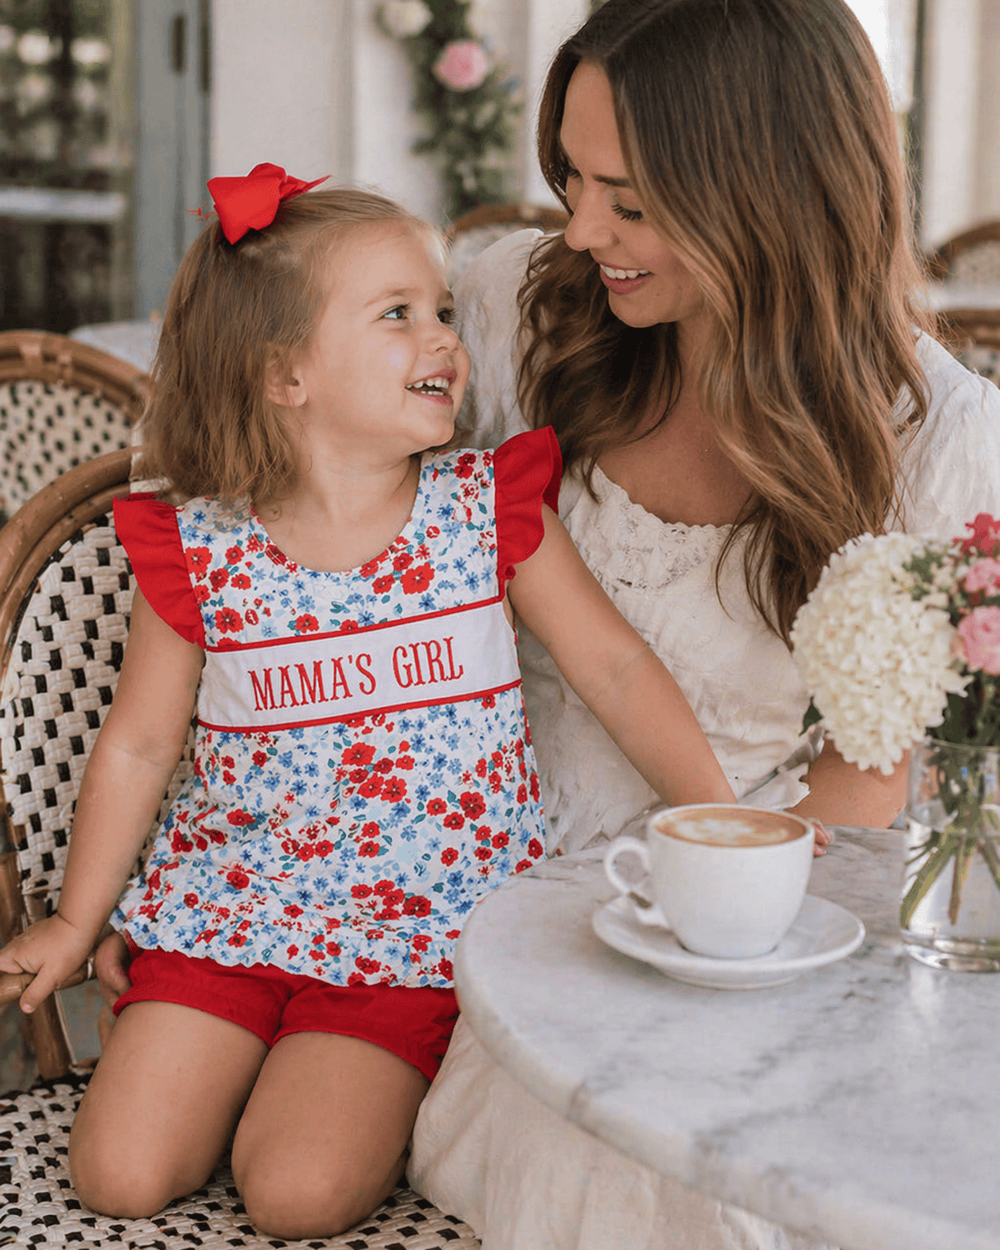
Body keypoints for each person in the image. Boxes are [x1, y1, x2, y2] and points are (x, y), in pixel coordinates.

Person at [0, 169, 735, 1241]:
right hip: (230, 916)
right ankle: (236, 1065)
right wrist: (76, 916)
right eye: (397, 315)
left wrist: (716, 818)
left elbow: (614, 669)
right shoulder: (198, 544)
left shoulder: (483, 509)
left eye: (440, 310)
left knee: (295, 1193)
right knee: (117, 1172)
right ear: (283, 373)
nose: (442, 338)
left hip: (413, 930)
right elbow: (139, 743)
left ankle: (308, 1085)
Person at [401, 1, 1000, 1248]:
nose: (577, 229)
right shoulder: (515, 307)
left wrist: (700, 937)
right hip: (462, 890)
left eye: (626, 199)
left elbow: (863, 800)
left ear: (767, 194)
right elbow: (322, 528)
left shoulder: (935, 441)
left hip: (748, 931)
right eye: (570, 177)